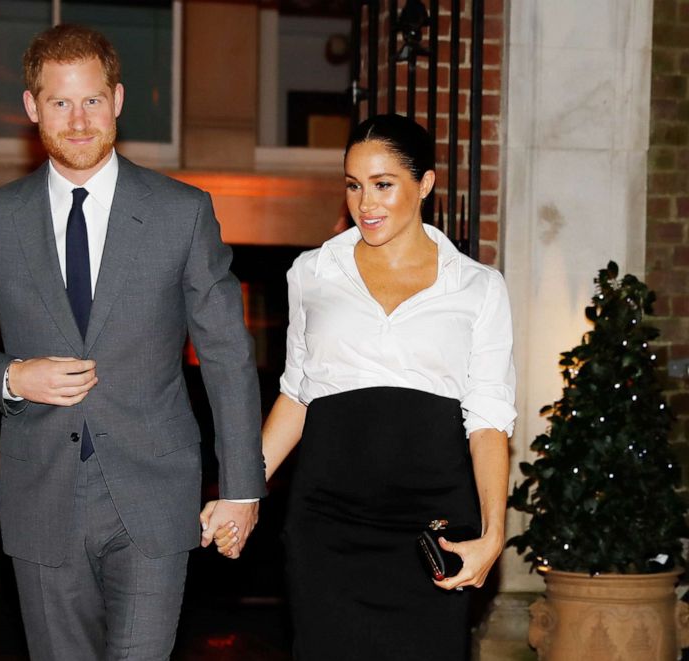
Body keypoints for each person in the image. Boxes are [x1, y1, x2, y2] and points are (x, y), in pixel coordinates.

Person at [0, 24, 265, 661]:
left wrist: (241, 488)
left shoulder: (181, 212)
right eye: (60, 102)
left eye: (91, 101)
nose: (78, 121)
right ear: (32, 108)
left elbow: (226, 355)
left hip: (156, 495)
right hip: (41, 496)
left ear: (117, 99)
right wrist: (12, 377)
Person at [205, 113, 516, 660]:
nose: (365, 203)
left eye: (383, 184)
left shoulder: (478, 288)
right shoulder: (312, 273)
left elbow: (488, 417)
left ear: (425, 184)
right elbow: (298, 394)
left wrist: (493, 532)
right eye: (353, 185)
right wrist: (240, 490)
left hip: (431, 524)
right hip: (328, 523)